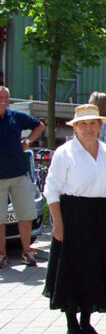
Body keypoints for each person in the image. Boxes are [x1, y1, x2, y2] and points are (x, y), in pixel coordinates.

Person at [42, 104, 106, 334]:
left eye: (93, 123)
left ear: (100, 126)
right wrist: (58, 224)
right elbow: (51, 190)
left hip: (100, 215)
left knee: (95, 268)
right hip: (73, 214)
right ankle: (72, 324)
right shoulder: (65, 153)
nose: (89, 128)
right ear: (76, 127)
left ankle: (86, 321)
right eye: (83, 124)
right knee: (73, 268)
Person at [0, 85, 45, 268]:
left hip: (19, 174)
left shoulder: (15, 116)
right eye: (0, 97)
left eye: (5, 97)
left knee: (25, 215)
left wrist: (27, 142)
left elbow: (39, 125)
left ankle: (27, 252)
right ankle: (1, 255)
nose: (3, 100)